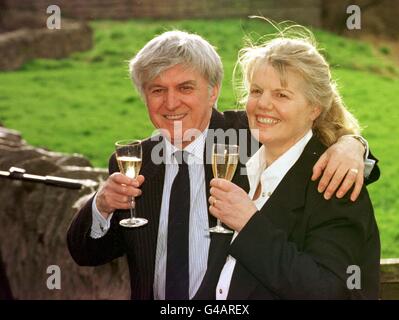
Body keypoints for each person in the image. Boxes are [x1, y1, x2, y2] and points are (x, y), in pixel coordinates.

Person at [67, 30, 380, 300]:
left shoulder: (249, 138)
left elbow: (311, 131)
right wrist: (102, 206)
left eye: (186, 88)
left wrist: (352, 145)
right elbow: (86, 253)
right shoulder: (136, 163)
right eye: (157, 90)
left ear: (213, 91)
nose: (171, 103)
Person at [204, 26, 380, 299]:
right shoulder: (238, 151)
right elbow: (184, 115)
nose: (263, 104)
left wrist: (250, 225)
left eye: (281, 95)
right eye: (256, 91)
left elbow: (329, 291)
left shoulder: (335, 182)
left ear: (314, 108)